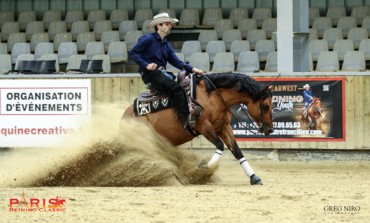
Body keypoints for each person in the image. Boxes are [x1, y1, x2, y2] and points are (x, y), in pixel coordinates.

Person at [128, 13, 204, 130]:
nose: (170, 26)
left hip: (161, 74)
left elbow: (177, 62)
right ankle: (185, 120)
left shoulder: (166, 44)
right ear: (159, 25)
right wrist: (146, 65)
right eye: (168, 24)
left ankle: (187, 109)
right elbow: (132, 53)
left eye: (170, 24)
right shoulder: (148, 39)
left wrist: (193, 69)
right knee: (175, 88)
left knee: (184, 84)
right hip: (149, 74)